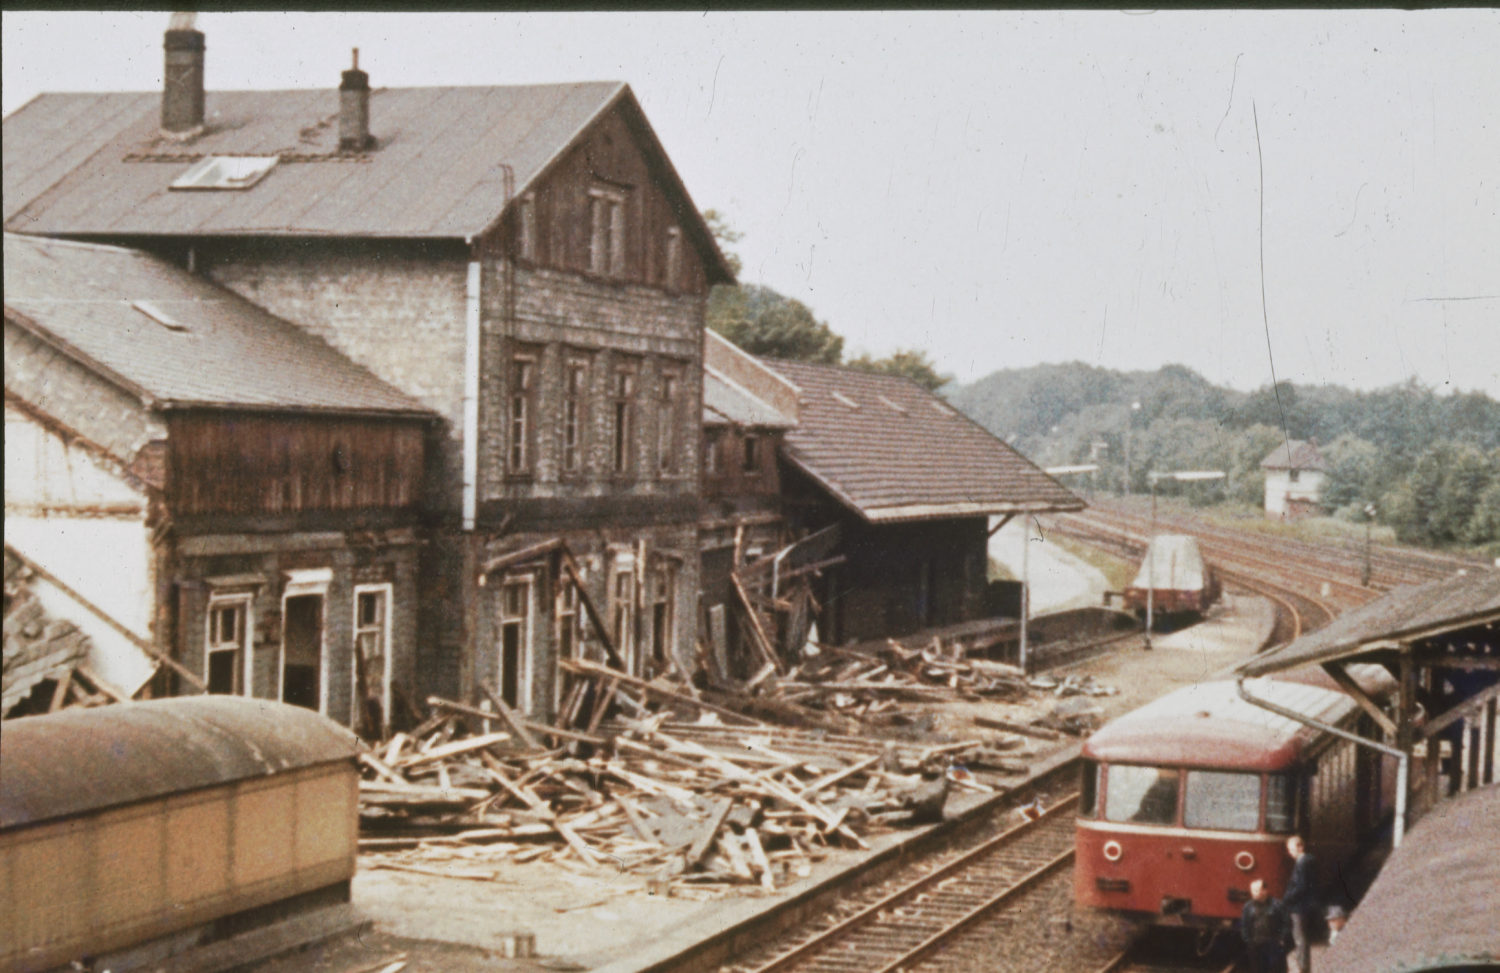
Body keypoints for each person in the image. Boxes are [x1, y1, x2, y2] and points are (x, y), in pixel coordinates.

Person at [1283, 835, 1319, 973]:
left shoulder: (1304, 862)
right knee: (1300, 938)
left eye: (1291, 849)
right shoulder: (1305, 861)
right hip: (1301, 906)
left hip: (1300, 907)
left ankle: (1303, 968)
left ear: (1300, 847)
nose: (1290, 852)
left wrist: (1287, 899)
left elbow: (1301, 886)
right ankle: (1303, 967)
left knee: (1300, 939)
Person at [1240, 878, 1288, 973]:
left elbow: (1286, 922)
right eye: (1253, 890)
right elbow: (1244, 925)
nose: (1254, 893)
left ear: (1265, 891)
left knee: (1275, 969)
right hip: (1256, 946)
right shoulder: (1248, 907)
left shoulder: (1277, 905)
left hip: (1273, 945)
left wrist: (1282, 938)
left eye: (1257, 890)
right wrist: (1248, 941)